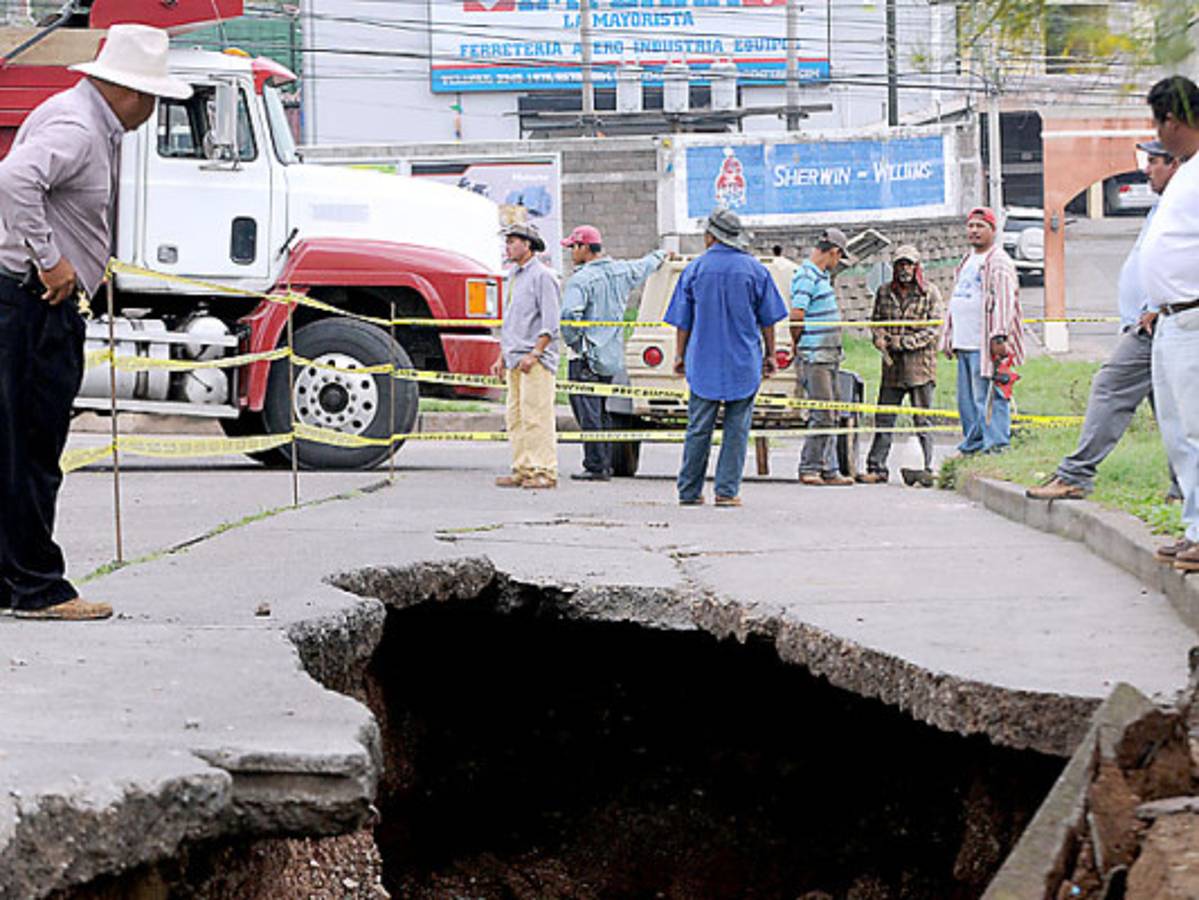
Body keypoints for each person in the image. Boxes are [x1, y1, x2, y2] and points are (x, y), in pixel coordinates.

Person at [0, 25, 190, 621]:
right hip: (32, 305)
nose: (155, 109)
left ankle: (14, 582)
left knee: (19, 448)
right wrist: (52, 259)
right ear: (132, 92)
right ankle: (38, 587)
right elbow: (12, 181)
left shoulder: (79, 117)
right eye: (154, 97)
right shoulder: (79, 128)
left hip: (32, 301)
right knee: (32, 449)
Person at [1028, 140, 1182, 502]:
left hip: (1158, 324)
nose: (1146, 169)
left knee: (1110, 387)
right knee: (1173, 411)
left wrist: (1157, 305)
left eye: (1154, 162)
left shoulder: (1186, 206)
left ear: (1175, 164)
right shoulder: (1165, 205)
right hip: (1149, 323)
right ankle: (1184, 488)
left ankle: (1076, 475)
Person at [665, 208, 788, 507]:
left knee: (698, 428)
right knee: (737, 428)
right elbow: (768, 320)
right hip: (743, 362)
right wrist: (771, 355)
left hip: (702, 360)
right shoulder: (756, 270)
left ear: (710, 236)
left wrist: (680, 355)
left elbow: (683, 322)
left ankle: (690, 491)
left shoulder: (694, 270)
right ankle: (727, 491)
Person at [1139, 76, 1199, 570]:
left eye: (1159, 123)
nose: (1158, 134)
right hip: (1170, 319)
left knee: (1197, 430)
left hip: (1195, 318)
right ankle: (1195, 527)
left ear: (1172, 120)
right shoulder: (1187, 172)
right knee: (1178, 433)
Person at [559, 224, 666, 481]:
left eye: (573, 247)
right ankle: (604, 462)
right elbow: (645, 265)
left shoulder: (581, 280)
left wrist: (577, 344)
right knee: (604, 411)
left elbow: (568, 316)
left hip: (586, 357)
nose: (571, 252)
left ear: (585, 248)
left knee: (588, 412)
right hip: (611, 356)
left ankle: (596, 466)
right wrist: (662, 255)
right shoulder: (621, 271)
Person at [939, 207, 1024, 455]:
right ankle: (973, 445)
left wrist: (999, 336)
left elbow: (1005, 301)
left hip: (985, 344)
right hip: (964, 342)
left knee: (988, 396)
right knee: (967, 401)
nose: (974, 231)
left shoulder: (998, 262)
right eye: (971, 226)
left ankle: (995, 446)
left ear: (992, 231)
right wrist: (949, 337)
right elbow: (957, 299)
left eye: (980, 226)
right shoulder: (967, 261)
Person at [858, 245, 943, 486]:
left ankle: (926, 468)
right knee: (884, 419)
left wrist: (904, 342)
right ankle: (877, 468)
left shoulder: (930, 293)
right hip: (892, 369)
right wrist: (879, 337)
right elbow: (876, 321)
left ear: (917, 267)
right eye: (900, 265)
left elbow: (934, 329)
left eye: (909, 264)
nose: (904, 269)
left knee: (922, 421)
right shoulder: (884, 292)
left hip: (920, 369)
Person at [492, 222, 561, 489]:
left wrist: (536, 352)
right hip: (514, 357)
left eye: (512, 241)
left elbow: (551, 322)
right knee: (516, 416)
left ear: (527, 244)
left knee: (537, 416)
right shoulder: (514, 277)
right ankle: (523, 467)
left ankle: (544, 469)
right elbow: (511, 321)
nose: (508, 246)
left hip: (534, 360)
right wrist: (501, 356)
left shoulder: (543, 276)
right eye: (507, 241)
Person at [791, 228, 855, 486]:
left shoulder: (821, 277)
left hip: (829, 355)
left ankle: (829, 469)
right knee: (822, 413)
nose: (837, 263)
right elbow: (797, 315)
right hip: (814, 355)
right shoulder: (806, 275)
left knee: (833, 410)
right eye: (839, 257)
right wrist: (800, 345)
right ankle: (810, 467)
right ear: (834, 252)